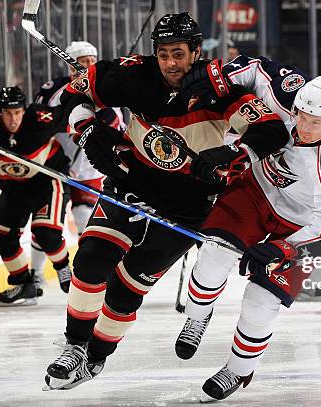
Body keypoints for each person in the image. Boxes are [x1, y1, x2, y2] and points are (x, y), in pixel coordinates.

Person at [43, 12, 289, 390]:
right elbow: (76, 93)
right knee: (92, 256)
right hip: (133, 182)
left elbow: (270, 131)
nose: (170, 63)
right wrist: (89, 130)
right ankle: (74, 346)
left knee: (128, 286)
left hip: (189, 207)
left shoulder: (219, 88)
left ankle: (96, 357)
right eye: (163, 55)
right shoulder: (133, 75)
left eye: (178, 53)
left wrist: (228, 156)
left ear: (195, 51)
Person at [174, 72, 321, 400]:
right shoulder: (288, 97)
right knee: (214, 255)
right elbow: (256, 67)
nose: (303, 128)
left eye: (315, 122)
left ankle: (237, 369)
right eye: (301, 117)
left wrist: (284, 250)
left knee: (261, 301)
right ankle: (197, 317)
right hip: (255, 192)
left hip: (299, 227)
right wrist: (214, 75)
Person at [31, 41, 126, 287]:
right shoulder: (53, 90)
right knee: (46, 224)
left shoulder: (106, 89)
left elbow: (118, 126)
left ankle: (91, 271)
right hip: (56, 168)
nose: (88, 65)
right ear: (70, 64)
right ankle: (35, 272)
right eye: (82, 61)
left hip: (90, 168)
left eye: (91, 61)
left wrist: (101, 116)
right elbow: (40, 124)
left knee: (85, 219)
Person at [0, 86, 72, 306]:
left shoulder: (40, 118)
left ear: (25, 110)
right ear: (0, 112)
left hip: (47, 180)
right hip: (15, 187)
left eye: (17, 112)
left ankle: (64, 269)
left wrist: (101, 124)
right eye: (7, 113)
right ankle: (24, 284)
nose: (13, 119)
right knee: (3, 238)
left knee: (46, 233)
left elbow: (73, 116)